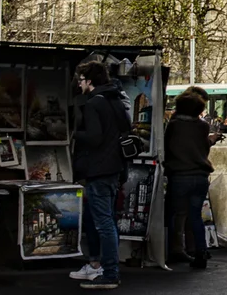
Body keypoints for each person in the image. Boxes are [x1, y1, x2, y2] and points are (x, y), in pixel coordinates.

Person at [70, 61, 129, 290]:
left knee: (103, 222)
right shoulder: (115, 100)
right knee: (105, 220)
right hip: (115, 169)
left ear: (89, 81)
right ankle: (100, 267)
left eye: (81, 79)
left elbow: (94, 137)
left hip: (99, 169)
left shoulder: (94, 103)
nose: (79, 83)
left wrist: (76, 134)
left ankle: (110, 273)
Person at [165, 90, 222, 270]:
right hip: (200, 176)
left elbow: (167, 148)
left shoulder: (173, 125)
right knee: (195, 216)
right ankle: (201, 252)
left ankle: (174, 249)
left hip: (180, 175)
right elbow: (203, 149)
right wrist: (211, 140)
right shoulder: (203, 126)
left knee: (175, 215)